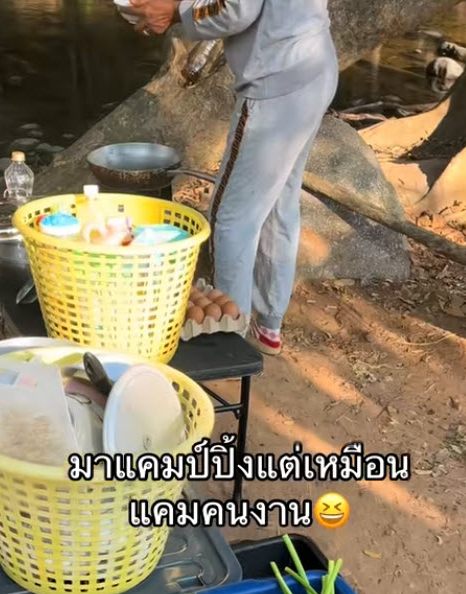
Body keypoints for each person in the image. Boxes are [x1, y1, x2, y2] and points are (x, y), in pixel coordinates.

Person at [129, 0, 338, 356]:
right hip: (312, 67)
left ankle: (227, 343)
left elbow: (236, 9)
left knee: (230, 217)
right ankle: (268, 324)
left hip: (275, 86)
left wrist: (176, 12)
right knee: (279, 203)